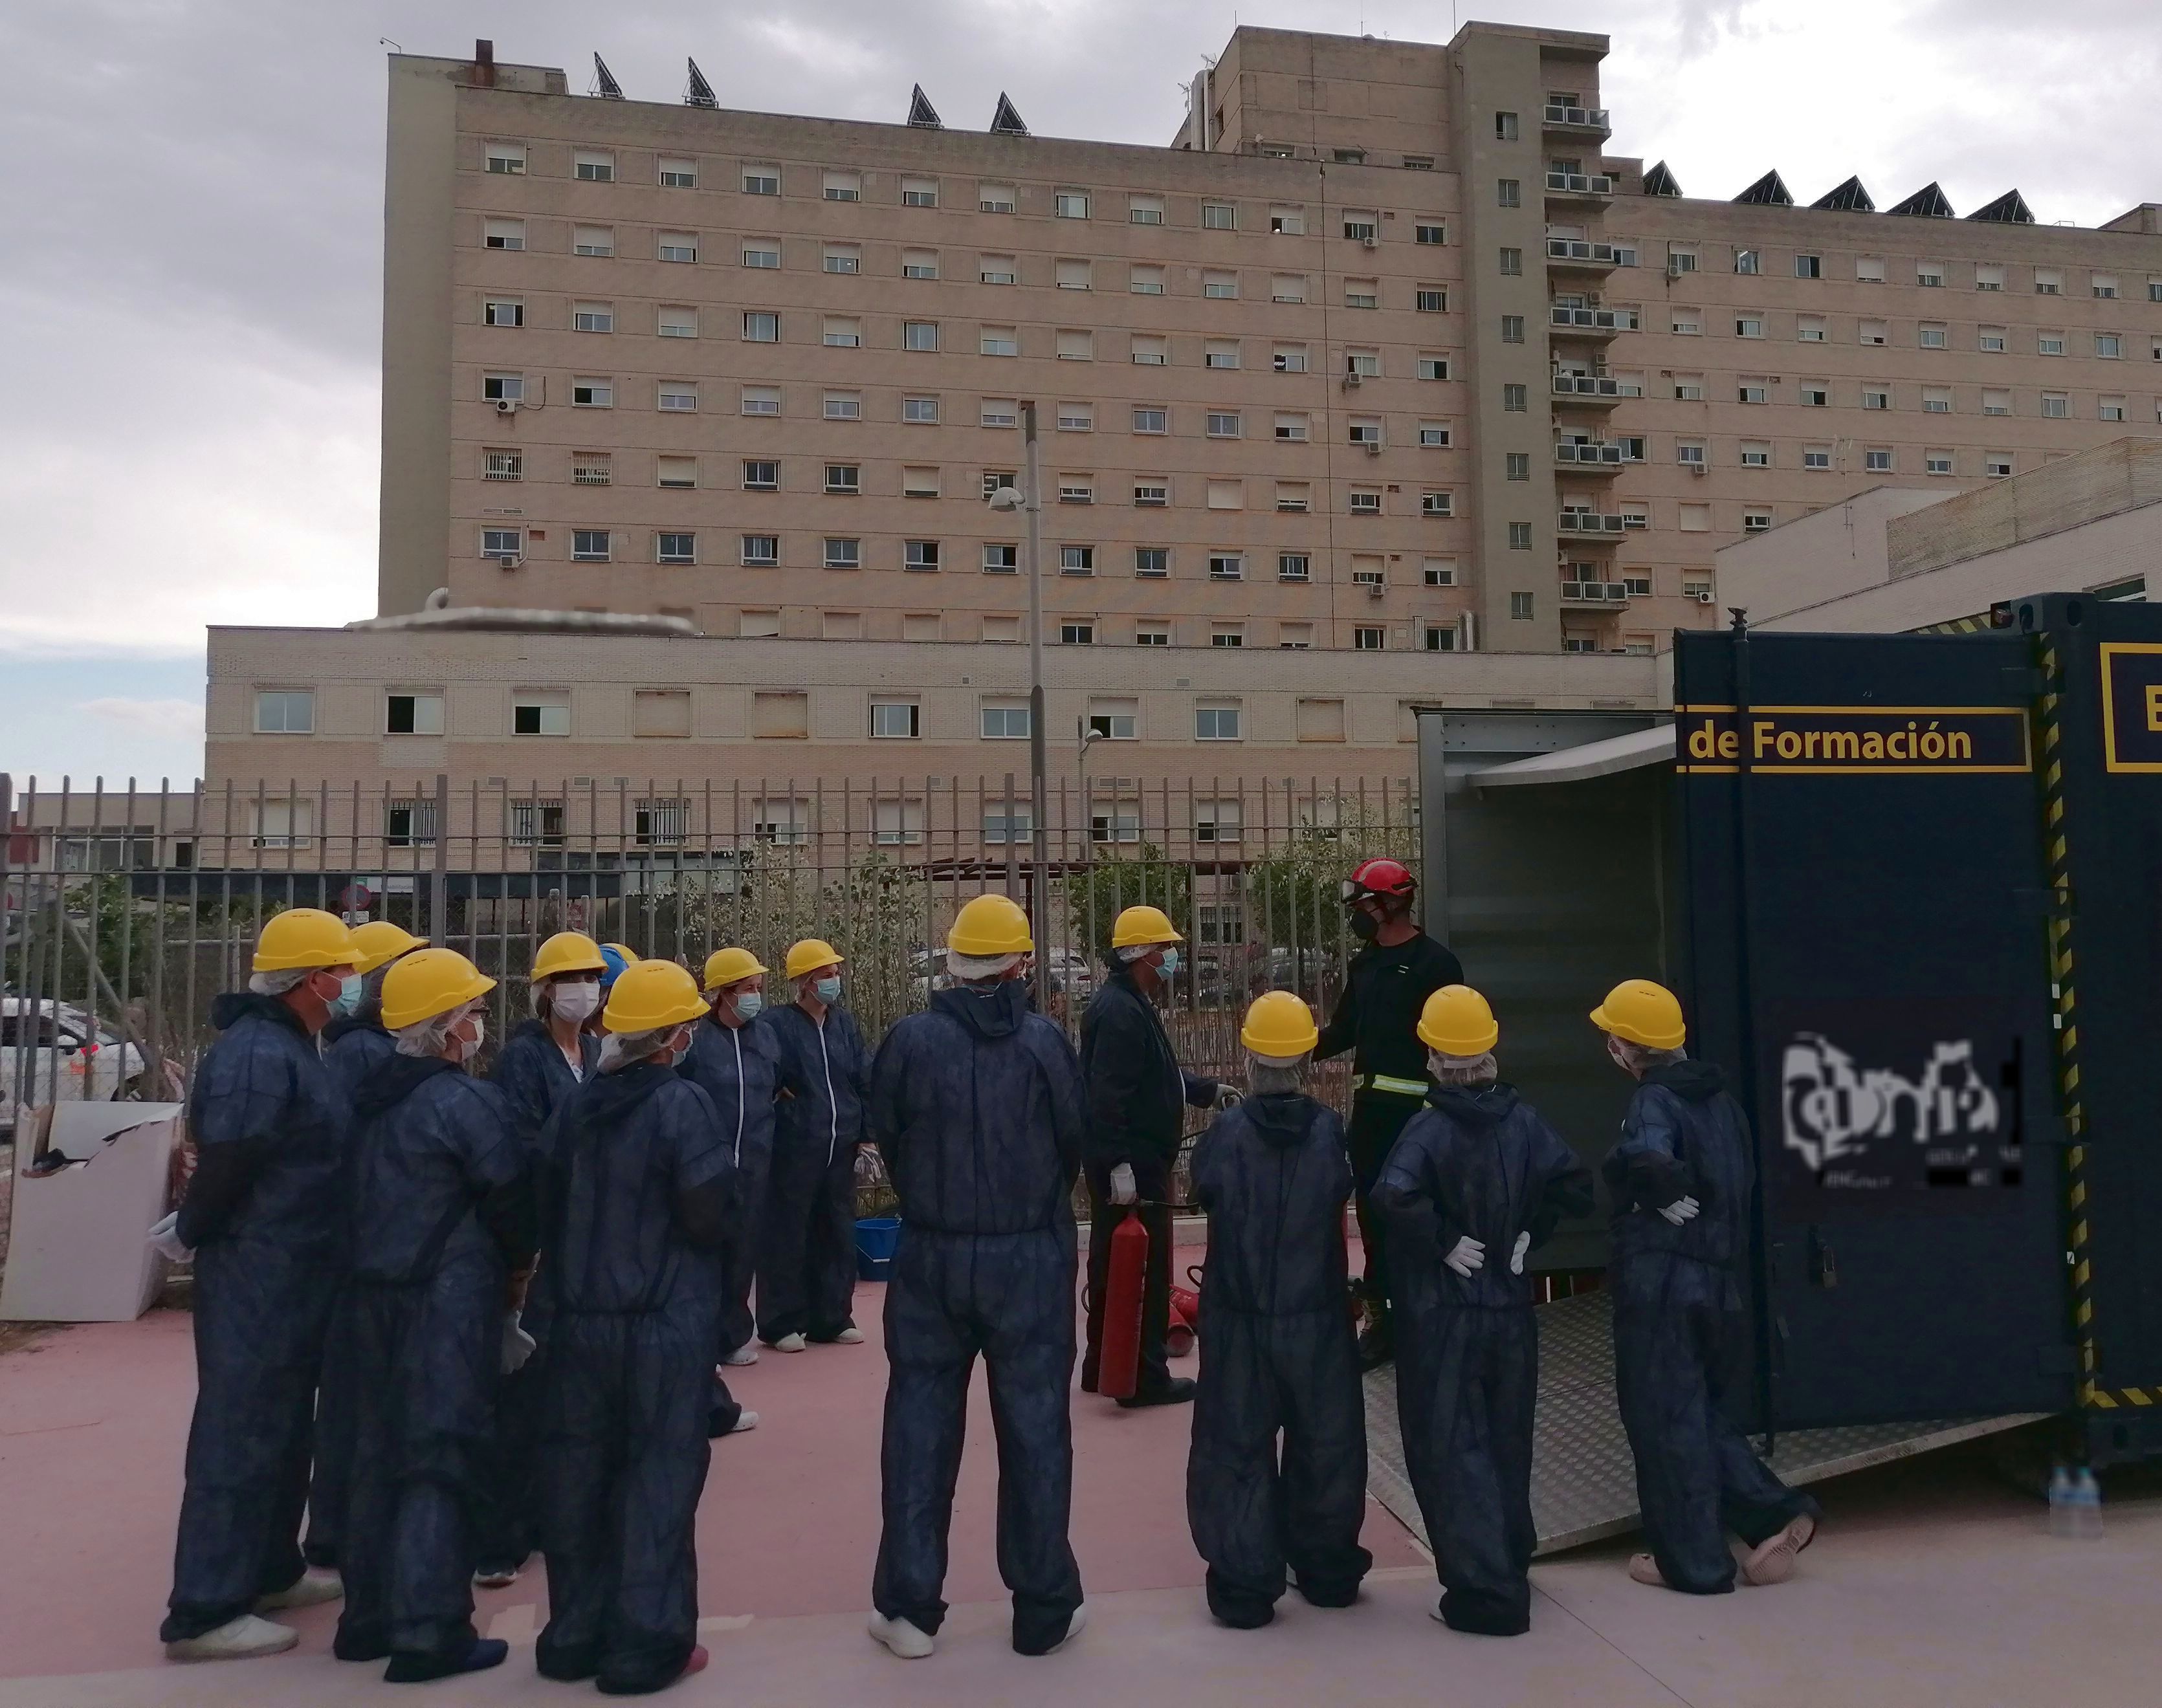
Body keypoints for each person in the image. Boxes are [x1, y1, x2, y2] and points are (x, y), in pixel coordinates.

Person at [865, 895, 1088, 1659]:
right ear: (1021, 961)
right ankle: (1043, 1606)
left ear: (954, 959)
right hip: (1027, 1257)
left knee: (918, 1429)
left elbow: (886, 1133)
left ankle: (908, 1608)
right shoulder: (1044, 1044)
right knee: (1035, 1432)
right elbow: (1071, 1144)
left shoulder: (908, 1042)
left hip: (930, 1256)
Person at [151, 908, 357, 1661]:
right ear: (312, 980)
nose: (350, 981)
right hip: (258, 1267)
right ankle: (204, 1608)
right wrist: (190, 1229)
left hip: (297, 1263)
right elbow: (232, 1159)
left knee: (284, 1428)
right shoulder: (254, 1055)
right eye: (342, 969)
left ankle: (270, 1568)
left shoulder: (295, 1046)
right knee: (240, 1432)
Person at [333, 948, 532, 1683]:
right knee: (438, 1458)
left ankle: (368, 1621)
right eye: (474, 1013)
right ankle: (428, 1631)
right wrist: (516, 1270)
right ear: (448, 1028)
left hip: (368, 1298)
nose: (481, 1024)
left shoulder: (361, 1101)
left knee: (374, 1455)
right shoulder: (462, 1104)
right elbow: (512, 1198)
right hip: (446, 1300)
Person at [532, 959, 731, 1694]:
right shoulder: (683, 1107)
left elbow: (540, 1198)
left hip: (578, 1319)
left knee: (578, 1475)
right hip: (660, 1321)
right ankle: (647, 1644)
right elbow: (707, 1213)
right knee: (658, 1477)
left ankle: (573, 1635)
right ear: (677, 1036)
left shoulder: (577, 1105)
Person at [1373, 985, 1593, 1636]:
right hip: (1507, 1311)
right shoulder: (1522, 1120)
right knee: (1505, 1439)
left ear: (1432, 1053)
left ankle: (1486, 1593)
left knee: (1449, 1448)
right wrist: (1533, 1230)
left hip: (1443, 1315)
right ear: (1489, 1048)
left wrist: (1441, 1241)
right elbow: (1572, 1184)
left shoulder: (1428, 1127)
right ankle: (1509, 1556)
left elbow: (1391, 1194)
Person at [1593, 978, 1821, 1594]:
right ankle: (1773, 1514)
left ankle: (1691, 1563)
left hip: (1661, 1280)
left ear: (1625, 1047)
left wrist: (1659, 1194)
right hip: (1717, 1281)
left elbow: (1644, 1157)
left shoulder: (1652, 1103)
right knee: (1692, 1411)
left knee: (1660, 1420)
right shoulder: (1723, 1104)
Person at [1186, 992, 1372, 1629]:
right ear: (1303, 1059)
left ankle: (1243, 1588)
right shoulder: (1328, 1131)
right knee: (1328, 1443)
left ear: (1247, 1055)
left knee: (1234, 1446)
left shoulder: (1225, 1136)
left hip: (1238, 1314)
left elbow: (1202, 1189)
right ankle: (1326, 1573)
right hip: (1316, 1310)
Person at [474, 929, 607, 1587]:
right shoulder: (523, 1060)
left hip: (581, 1239)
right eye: (572, 978)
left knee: (569, 1389)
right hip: (536, 1240)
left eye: (592, 976)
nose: (585, 988)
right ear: (545, 990)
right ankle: (500, 1537)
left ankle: (553, 1515)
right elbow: (521, 1150)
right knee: (523, 1389)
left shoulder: (592, 1050)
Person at [305, 919, 428, 1578]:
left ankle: (337, 1528)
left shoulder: (366, 1048)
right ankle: (341, 1534)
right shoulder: (365, 1055)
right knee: (360, 1399)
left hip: (366, 1245)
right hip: (368, 1250)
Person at [1314, 857, 1466, 1370]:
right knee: (1375, 1218)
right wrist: (1292, 1050)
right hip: (1372, 1119)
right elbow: (1343, 1030)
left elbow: (1453, 1043)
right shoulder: (1366, 962)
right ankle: (1384, 1325)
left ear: (1391, 903)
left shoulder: (1436, 964)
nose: (1357, 914)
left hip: (1420, 1118)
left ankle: (1428, 1315)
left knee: (1419, 1215)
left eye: (1363, 904)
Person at [1077, 904, 1232, 1408]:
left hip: (1135, 1161)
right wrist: (1119, 1163)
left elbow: (1154, 1075)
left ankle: (1102, 1363)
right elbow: (1109, 1095)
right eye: (1165, 949)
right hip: (1135, 1166)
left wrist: (1205, 1091)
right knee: (1142, 1270)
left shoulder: (1127, 1003)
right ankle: (1143, 1377)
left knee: (1113, 1267)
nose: (1171, 958)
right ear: (1143, 953)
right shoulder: (1121, 1012)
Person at [680, 945, 782, 1434]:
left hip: (755, 1159)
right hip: (710, 1164)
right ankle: (703, 1339)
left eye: (757, 990)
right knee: (707, 1252)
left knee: (744, 1249)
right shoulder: (699, 1039)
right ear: (721, 995)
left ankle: (733, 1334)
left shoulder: (764, 1038)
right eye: (746, 990)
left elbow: (777, 1086)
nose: (754, 998)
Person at [758, 939, 870, 1352]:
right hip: (795, 1147)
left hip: (840, 1145)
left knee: (837, 1231)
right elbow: (763, 1076)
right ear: (804, 983)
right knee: (788, 1232)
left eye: (836, 973)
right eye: (826, 975)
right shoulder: (777, 1025)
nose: (834, 980)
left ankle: (833, 1316)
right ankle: (782, 1321)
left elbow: (862, 1077)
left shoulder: (844, 1024)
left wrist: (866, 1134)